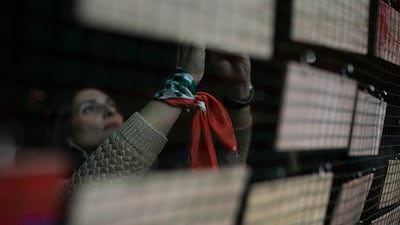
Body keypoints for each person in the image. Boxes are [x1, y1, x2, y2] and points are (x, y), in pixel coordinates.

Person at [61, 45, 253, 194]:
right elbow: (93, 188)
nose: (108, 111)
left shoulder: (165, 180)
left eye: (111, 105)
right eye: (89, 108)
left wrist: (240, 93)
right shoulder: (55, 191)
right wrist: (183, 81)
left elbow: (226, 173)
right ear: (67, 134)